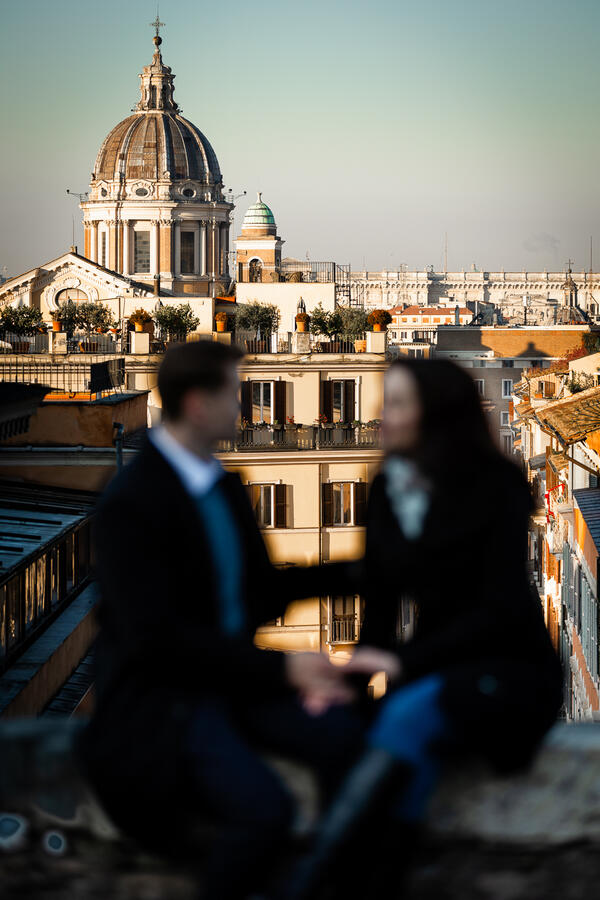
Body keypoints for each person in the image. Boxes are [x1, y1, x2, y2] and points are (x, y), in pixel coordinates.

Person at [76, 340, 364, 900]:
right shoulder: (131, 503)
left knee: (347, 744)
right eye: (234, 393)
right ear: (197, 404)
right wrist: (285, 672)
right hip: (168, 699)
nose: (244, 406)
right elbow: (156, 638)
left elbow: (259, 592)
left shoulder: (220, 486)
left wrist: (361, 574)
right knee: (263, 811)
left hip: (228, 684)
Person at [287, 357, 564, 899]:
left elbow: (500, 610)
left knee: (409, 717)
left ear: (434, 414)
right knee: (375, 738)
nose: (381, 417)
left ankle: (312, 884)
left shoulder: (497, 487)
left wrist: (401, 664)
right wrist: (352, 688)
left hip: (507, 669)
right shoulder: (389, 484)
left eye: (396, 403)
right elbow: (379, 600)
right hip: (435, 670)